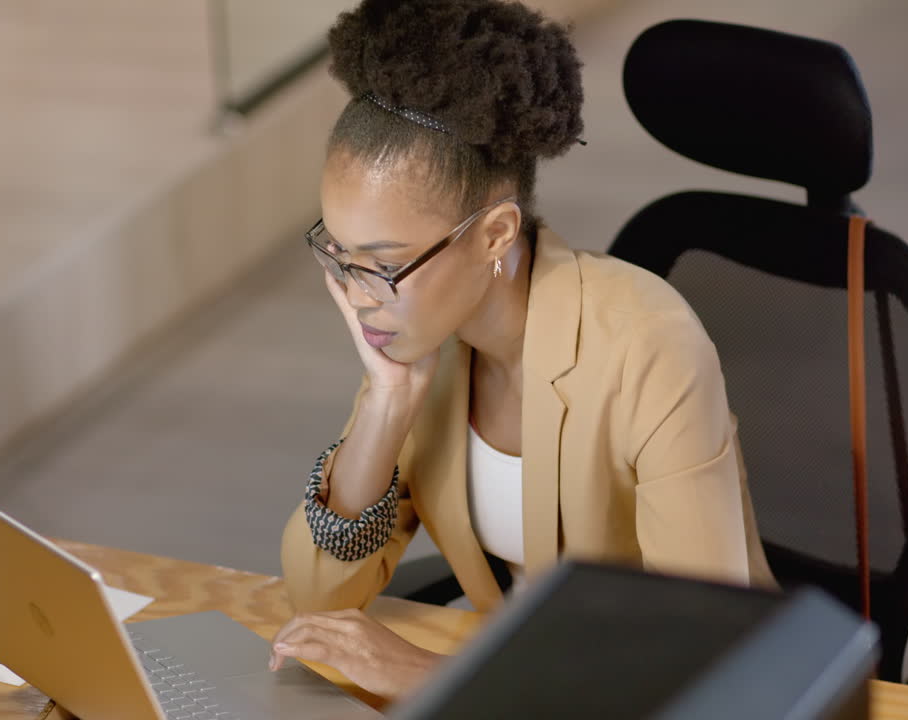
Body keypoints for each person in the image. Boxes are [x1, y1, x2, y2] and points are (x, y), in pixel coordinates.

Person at [268, 0, 774, 700]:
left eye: (381, 265)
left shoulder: (648, 345)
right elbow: (317, 597)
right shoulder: (423, 344)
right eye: (339, 255)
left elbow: (702, 659)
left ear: (496, 235)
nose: (358, 296)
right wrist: (387, 406)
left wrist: (431, 674)